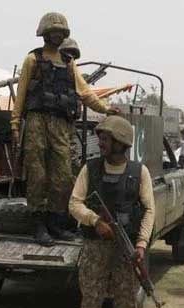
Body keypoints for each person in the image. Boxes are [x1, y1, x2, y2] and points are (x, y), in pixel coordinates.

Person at [11, 12, 118, 245]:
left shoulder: (70, 64)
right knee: (37, 175)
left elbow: (85, 93)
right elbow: (20, 97)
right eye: (54, 32)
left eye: (61, 32)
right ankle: (39, 225)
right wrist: (15, 125)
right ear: (45, 34)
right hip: (37, 122)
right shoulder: (32, 60)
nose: (57, 35)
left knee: (62, 177)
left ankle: (55, 223)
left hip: (61, 125)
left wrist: (106, 108)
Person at [69, 115, 155, 308]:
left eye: (106, 139)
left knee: (127, 299)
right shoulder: (90, 168)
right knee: (91, 299)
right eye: (101, 138)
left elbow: (150, 209)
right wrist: (95, 221)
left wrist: (140, 244)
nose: (101, 143)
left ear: (121, 142)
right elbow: (74, 203)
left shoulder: (139, 171)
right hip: (95, 247)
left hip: (125, 249)